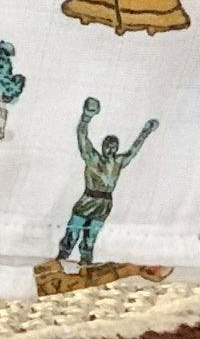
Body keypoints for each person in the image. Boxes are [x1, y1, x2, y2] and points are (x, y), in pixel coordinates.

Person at [56, 97, 158, 269]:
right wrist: (86, 117)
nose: (110, 149)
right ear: (103, 147)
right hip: (87, 200)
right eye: (107, 145)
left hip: (104, 204)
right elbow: (82, 137)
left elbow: (134, 150)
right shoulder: (93, 158)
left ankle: (86, 263)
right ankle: (60, 260)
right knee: (72, 233)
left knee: (91, 237)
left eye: (114, 146)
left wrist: (145, 132)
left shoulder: (118, 162)